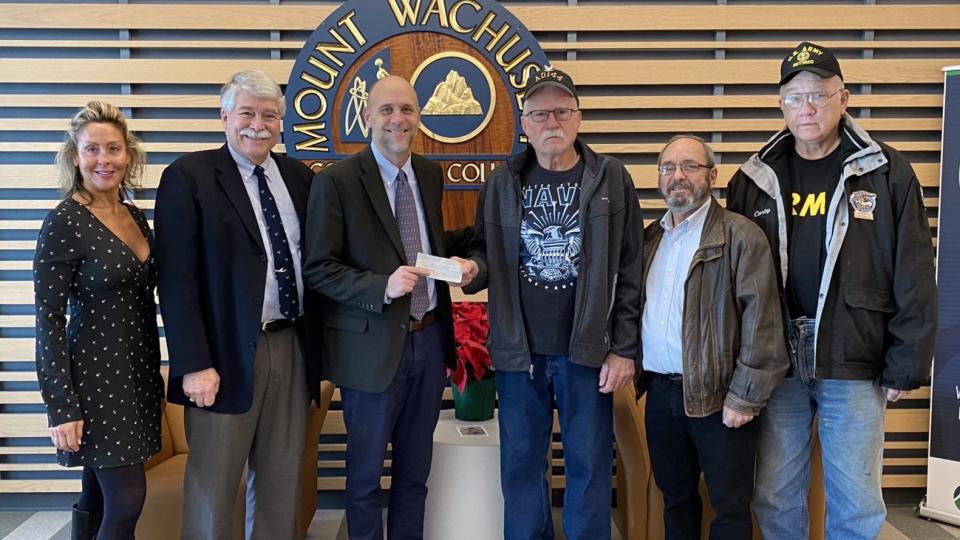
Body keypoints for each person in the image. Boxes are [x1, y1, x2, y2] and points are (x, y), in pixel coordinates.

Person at [727, 42, 938, 539]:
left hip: (854, 353)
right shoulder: (754, 178)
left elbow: (913, 266)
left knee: (855, 498)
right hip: (778, 358)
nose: (807, 108)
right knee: (775, 493)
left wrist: (908, 358)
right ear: (780, 103)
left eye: (819, 95)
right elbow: (733, 282)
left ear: (843, 99)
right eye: (795, 97)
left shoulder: (887, 172)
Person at [461, 66, 643, 539]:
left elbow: (631, 271)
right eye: (539, 113)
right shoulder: (502, 181)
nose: (551, 122)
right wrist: (472, 270)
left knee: (589, 469)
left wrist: (624, 347)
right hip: (518, 353)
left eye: (562, 111)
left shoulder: (610, 179)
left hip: (587, 353)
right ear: (524, 124)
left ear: (578, 118)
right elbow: (485, 251)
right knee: (521, 471)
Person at [303, 75, 475, 540]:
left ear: (418, 117)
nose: (397, 120)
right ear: (366, 118)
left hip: (430, 340)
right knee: (362, 481)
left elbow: (427, 246)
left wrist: (465, 262)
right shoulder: (336, 182)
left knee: (414, 477)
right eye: (386, 110)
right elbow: (318, 268)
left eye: (406, 110)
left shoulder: (430, 174)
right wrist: (382, 286)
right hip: (370, 355)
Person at [153, 69, 318, 539]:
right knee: (214, 487)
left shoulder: (299, 178)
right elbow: (176, 279)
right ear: (224, 116)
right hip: (221, 355)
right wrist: (193, 364)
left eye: (269, 115)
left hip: (291, 346)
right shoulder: (190, 176)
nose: (258, 124)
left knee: (282, 484)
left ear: (281, 124)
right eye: (247, 112)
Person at [640, 135, 788, 539]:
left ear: (712, 175)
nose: (678, 176)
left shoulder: (740, 236)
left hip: (722, 398)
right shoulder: (650, 239)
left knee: (730, 506)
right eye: (668, 167)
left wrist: (744, 397)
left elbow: (764, 323)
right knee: (675, 499)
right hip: (662, 395)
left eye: (690, 166)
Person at [34, 101, 162, 540]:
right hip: (94, 381)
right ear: (75, 155)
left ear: (128, 155)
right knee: (126, 504)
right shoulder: (64, 221)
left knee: (99, 497)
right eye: (92, 150)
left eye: (113, 149)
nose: (103, 160)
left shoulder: (134, 215)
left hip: (138, 374)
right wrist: (61, 407)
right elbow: (48, 320)